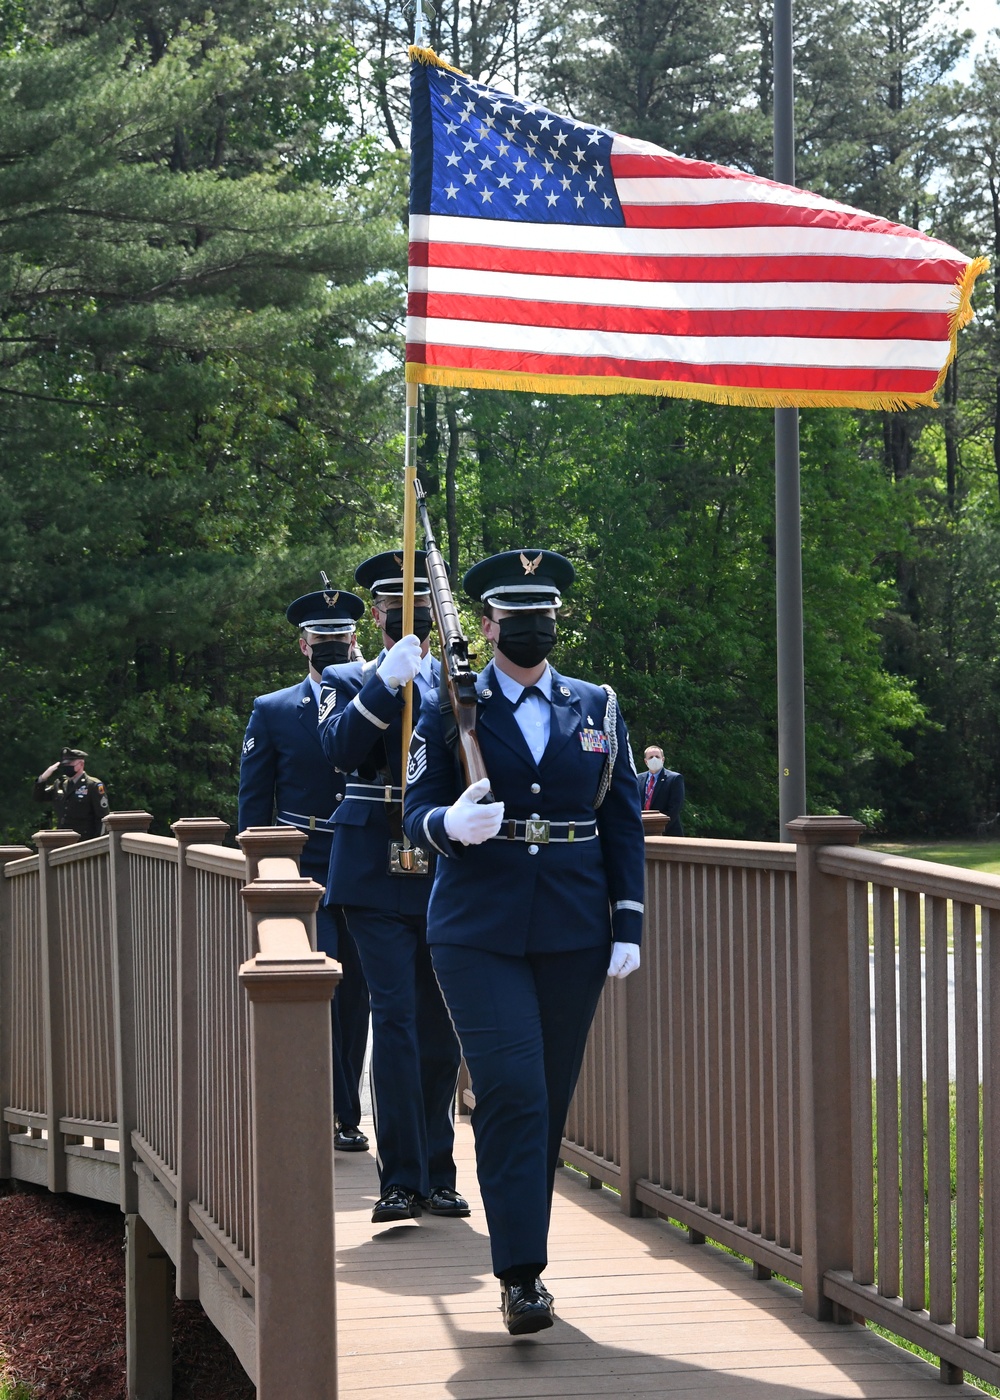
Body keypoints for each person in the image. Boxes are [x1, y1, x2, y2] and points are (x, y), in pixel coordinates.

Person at [402, 548, 645, 1336]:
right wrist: (448, 825)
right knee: (514, 1090)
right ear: (487, 623)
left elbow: (622, 818)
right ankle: (521, 1275)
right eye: (516, 615)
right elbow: (413, 810)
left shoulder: (597, 705)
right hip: (477, 928)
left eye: (544, 614)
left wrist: (629, 920)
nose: (532, 626)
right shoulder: (449, 706)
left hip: (574, 929)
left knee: (547, 1102)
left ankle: (523, 1256)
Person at [317, 549, 466, 1224]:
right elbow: (340, 750)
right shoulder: (346, 675)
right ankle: (399, 1176)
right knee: (396, 1017)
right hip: (373, 868)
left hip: (438, 860)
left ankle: (440, 1171)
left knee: (441, 1026)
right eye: (388, 604)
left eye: (413, 603)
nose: (399, 614)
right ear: (375, 615)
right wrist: (383, 685)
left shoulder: (456, 681)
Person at [238, 582, 371, 1154]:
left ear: (355, 640)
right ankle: (341, 1111)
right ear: (303, 646)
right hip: (303, 867)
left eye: (341, 638)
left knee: (359, 991)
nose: (332, 647)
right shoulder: (272, 711)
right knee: (327, 987)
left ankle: (345, 1106)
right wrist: (261, 877)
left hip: (362, 861)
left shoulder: (377, 700)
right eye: (323, 639)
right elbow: (253, 804)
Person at [33, 748, 109, 840]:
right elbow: (39, 797)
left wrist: (98, 842)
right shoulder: (60, 784)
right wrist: (43, 778)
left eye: (69, 764)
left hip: (84, 840)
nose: (66, 766)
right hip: (62, 840)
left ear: (81, 764)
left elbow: (102, 817)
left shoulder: (93, 785)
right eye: (64, 764)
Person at [638, 744, 685, 835]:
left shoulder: (674, 779)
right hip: (641, 831)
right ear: (645, 761)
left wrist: (657, 828)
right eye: (651, 757)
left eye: (657, 757)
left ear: (663, 759)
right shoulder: (638, 779)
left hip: (667, 832)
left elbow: (675, 808)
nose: (654, 759)